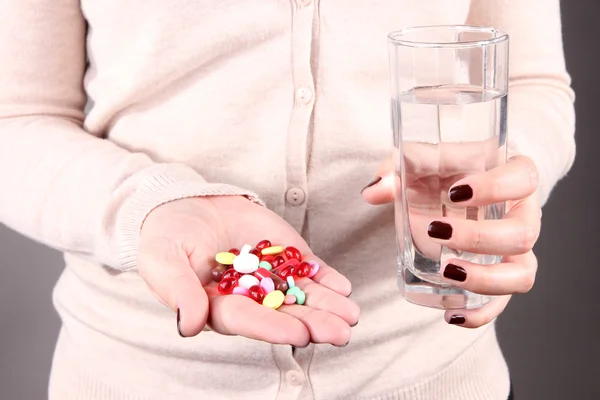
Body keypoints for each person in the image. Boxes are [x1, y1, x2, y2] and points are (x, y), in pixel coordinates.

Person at [0, 1, 574, 399]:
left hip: (431, 373)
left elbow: (530, 81)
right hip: (137, 375)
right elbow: (17, 118)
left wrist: (498, 179)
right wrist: (149, 206)